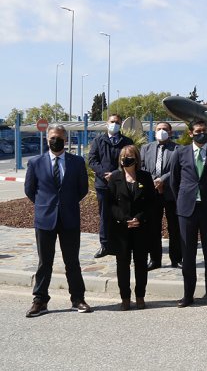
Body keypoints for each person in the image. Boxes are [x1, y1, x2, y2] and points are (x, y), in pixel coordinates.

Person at [24, 124, 91, 317]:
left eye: (60, 137)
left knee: (72, 262)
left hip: (69, 218)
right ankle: (40, 300)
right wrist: (47, 205)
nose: (56, 140)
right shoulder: (35, 162)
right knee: (45, 262)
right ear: (47, 139)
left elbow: (82, 189)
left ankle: (78, 299)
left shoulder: (77, 162)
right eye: (53, 137)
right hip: (45, 220)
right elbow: (30, 190)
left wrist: (65, 204)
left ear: (66, 139)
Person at [170, 119, 207, 308]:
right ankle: (188, 294)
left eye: (204, 131)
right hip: (187, 209)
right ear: (190, 133)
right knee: (188, 254)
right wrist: (184, 198)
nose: (201, 133)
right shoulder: (180, 153)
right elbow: (174, 181)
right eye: (197, 131)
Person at [105, 145, 156, 310]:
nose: (126, 159)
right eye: (123, 157)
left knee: (141, 264)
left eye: (129, 156)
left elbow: (151, 203)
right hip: (121, 229)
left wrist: (140, 218)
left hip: (141, 227)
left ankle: (140, 296)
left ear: (136, 158)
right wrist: (124, 219)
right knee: (122, 264)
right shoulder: (114, 178)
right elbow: (110, 204)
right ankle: (125, 298)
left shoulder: (145, 177)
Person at [88, 113, 134, 258]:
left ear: (121, 125)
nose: (115, 124)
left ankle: (123, 243)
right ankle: (105, 245)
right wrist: (104, 174)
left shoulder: (126, 141)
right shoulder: (98, 140)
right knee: (105, 215)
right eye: (112, 121)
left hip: (122, 183)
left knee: (123, 214)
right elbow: (92, 160)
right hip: (103, 185)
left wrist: (115, 175)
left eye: (117, 122)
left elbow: (130, 159)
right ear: (107, 124)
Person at [140, 121, 181, 270]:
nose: (162, 131)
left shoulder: (178, 149)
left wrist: (162, 180)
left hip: (171, 194)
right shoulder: (146, 148)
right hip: (152, 193)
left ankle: (176, 259)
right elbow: (142, 167)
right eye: (159, 129)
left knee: (174, 228)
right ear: (154, 131)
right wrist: (152, 181)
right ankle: (155, 260)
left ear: (170, 133)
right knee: (153, 227)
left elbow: (178, 168)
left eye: (165, 129)